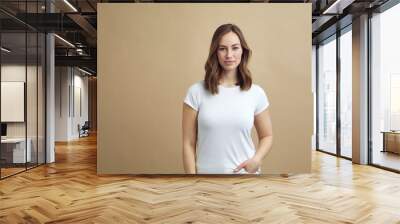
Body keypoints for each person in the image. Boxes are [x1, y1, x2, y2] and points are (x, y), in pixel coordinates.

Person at [182, 23, 273, 174]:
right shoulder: (196, 92)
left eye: (235, 48)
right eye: (222, 48)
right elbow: (188, 143)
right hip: (206, 182)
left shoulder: (256, 93)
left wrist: (257, 159)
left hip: (245, 180)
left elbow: (267, 136)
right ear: (215, 52)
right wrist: (193, 181)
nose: (229, 55)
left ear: (243, 51)